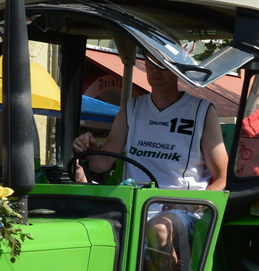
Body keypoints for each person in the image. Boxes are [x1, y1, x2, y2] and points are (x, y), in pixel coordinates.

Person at [98, 60, 229, 189]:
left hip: (182, 203)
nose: (156, 69)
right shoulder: (131, 108)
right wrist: (88, 149)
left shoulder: (202, 110)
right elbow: (101, 164)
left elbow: (222, 177)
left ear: (178, 68)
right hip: (135, 203)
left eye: (163, 63)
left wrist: (198, 202)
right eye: (151, 62)